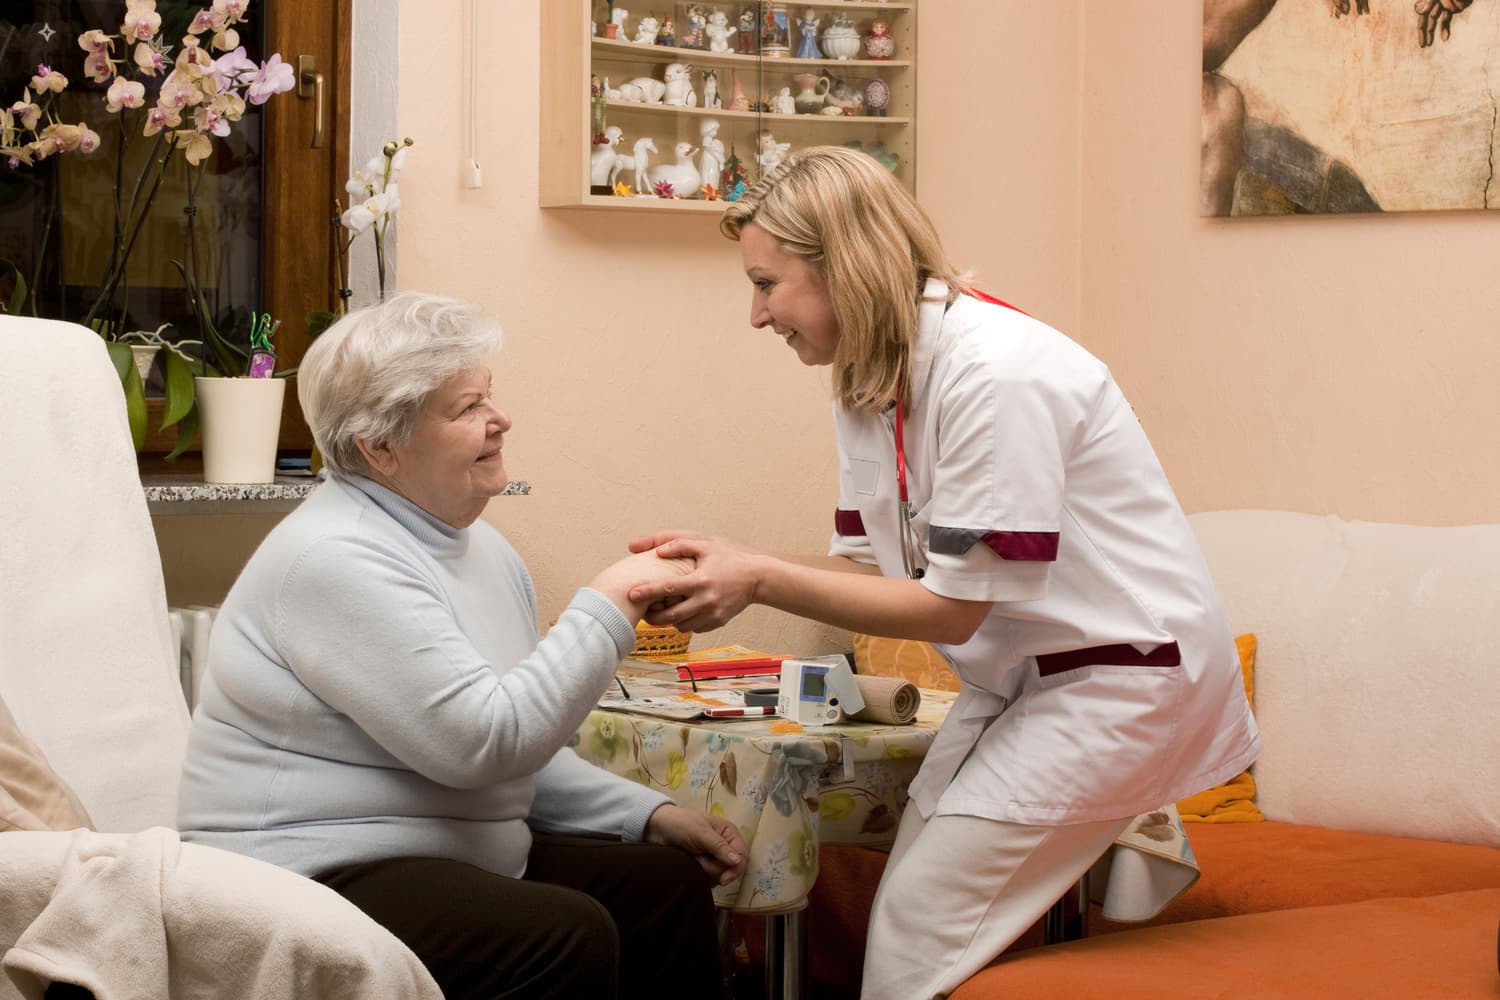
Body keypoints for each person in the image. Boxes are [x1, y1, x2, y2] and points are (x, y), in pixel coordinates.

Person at [625, 146, 1262, 1000]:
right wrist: (729, 565)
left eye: (767, 284)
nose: (755, 314)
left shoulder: (995, 372)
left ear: (843, 268)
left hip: (1120, 684)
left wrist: (760, 577)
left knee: (915, 927)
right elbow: (864, 570)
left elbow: (952, 608)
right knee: (907, 901)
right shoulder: (869, 379)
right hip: (1021, 686)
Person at [177, 291, 746, 1000]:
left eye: (490, 396)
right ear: (379, 448)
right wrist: (611, 602)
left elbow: (520, 746)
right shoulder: (335, 556)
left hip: (435, 853)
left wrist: (645, 815)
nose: (500, 419)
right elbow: (486, 744)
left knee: (662, 887)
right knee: (560, 934)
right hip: (300, 875)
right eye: (466, 407)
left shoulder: (478, 548)